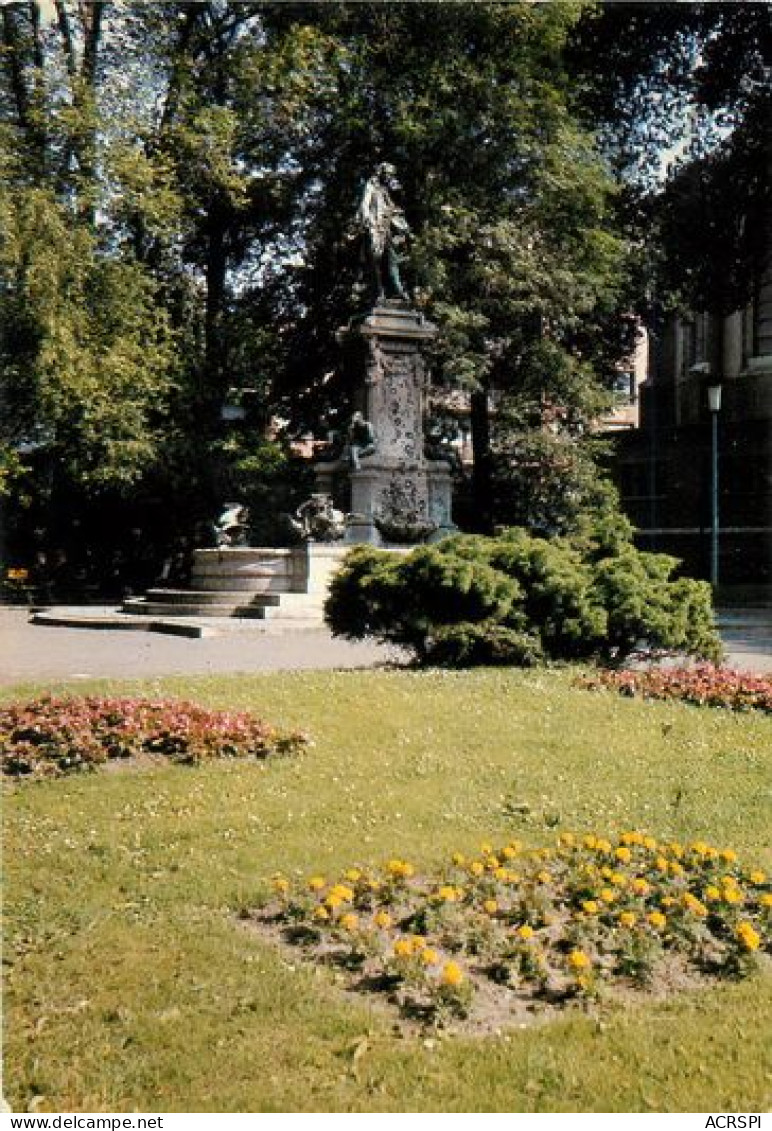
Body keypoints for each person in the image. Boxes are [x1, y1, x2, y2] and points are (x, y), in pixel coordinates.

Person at [357, 163, 411, 302]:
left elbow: (395, 208)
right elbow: (364, 204)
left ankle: (397, 289)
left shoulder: (388, 190)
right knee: (375, 261)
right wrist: (368, 221)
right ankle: (378, 292)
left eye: (391, 175)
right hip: (375, 228)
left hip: (388, 229)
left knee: (392, 260)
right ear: (381, 173)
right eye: (387, 174)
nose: (389, 177)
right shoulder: (371, 187)